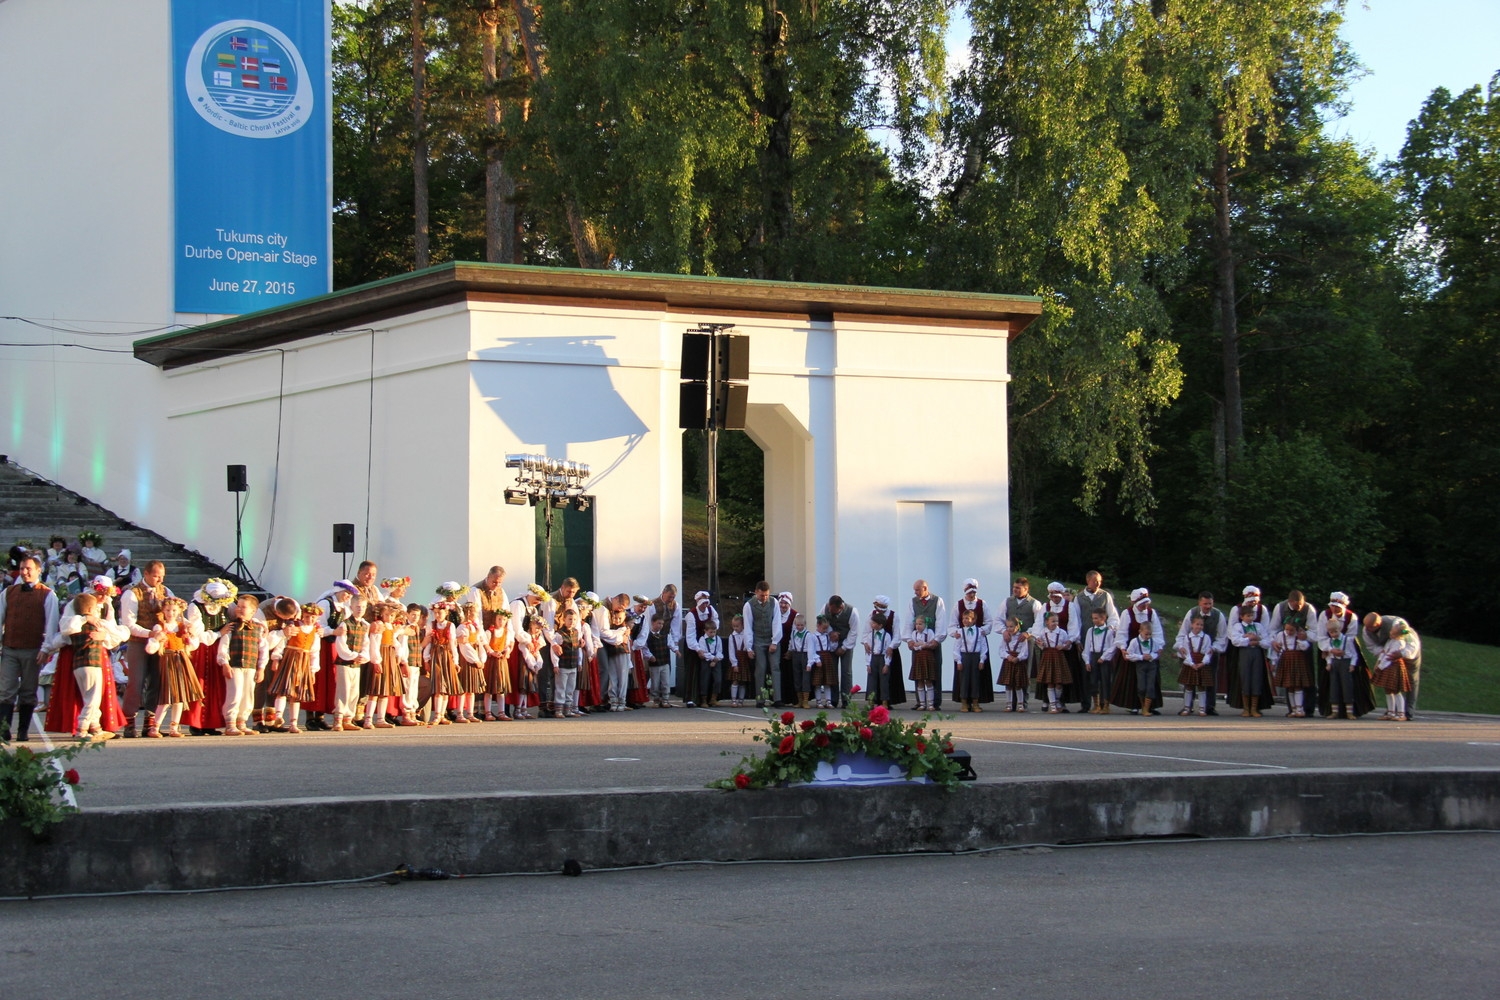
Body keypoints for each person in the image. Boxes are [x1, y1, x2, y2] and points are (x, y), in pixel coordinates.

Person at [0, 555, 61, 742]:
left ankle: (23, 730)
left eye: (28, 568)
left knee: (28, 690)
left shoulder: (48, 594)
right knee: (6, 690)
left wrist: (46, 648)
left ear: (38, 570)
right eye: (22, 568)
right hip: (10, 647)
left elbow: (51, 624)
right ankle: (4, 730)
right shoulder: (8, 592)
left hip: (33, 649)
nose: (24, 572)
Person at [58, 592, 126, 740]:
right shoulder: (96, 624)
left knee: (87, 695)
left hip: (78, 665)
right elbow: (118, 634)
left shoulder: (74, 627)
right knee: (93, 698)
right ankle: (82, 728)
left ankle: (96, 727)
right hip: (92, 664)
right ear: (91, 609)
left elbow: (62, 637)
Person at [118, 559, 174, 738]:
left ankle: (150, 724)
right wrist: (150, 634)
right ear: (146, 574)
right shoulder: (133, 593)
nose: (159, 580)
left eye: (162, 576)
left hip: (159, 643)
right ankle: (129, 723)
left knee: (157, 681)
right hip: (138, 642)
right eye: (156, 576)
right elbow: (129, 623)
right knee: (136, 681)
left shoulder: (165, 591)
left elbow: (175, 611)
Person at [183, 578, 237, 736]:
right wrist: (219, 633)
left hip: (219, 647)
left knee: (215, 686)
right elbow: (198, 633)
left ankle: (210, 723)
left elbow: (236, 616)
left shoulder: (226, 605)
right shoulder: (196, 606)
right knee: (199, 684)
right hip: (202, 648)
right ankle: (196, 723)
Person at [147, 596, 202, 738]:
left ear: (178, 611)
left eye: (174, 610)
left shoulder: (183, 627)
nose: (171, 613)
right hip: (168, 661)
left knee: (180, 696)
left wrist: (190, 637)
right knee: (167, 696)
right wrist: (156, 639)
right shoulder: (160, 627)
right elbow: (150, 649)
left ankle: (174, 727)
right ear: (163, 611)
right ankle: (155, 727)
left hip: (181, 660)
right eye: (168, 610)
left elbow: (193, 645)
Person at [265, 604, 319, 734]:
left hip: (304, 662)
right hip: (289, 659)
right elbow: (282, 643)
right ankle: (278, 716)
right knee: (283, 689)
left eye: (313, 617)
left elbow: (315, 652)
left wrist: (313, 670)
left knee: (297, 693)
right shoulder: (294, 627)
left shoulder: (315, 633)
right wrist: (276, 659)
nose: (309, 620)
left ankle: (293, 723)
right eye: (307, 616)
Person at [1361, 611, 1423, 719]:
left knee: (1411, 680)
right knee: (1390, 684)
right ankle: (1391, 711)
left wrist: (1401, 653)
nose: (1367, 630)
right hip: (1389, 655)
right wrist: (1382, 653)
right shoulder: (1366, 630)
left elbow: (1412, 643)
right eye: (1366, 626)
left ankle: (1407, 712)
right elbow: (1371, 646)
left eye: (1370, 627)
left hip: (1408, 652)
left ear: (1377, 624)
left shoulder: (1397, 624)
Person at [1221, 586, 1273, 714]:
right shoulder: (1236, 610)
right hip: (1240, 649)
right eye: (1251, 600)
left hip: (1257, 648)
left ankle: (1256, 707)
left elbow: (1265, 631)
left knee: (1257, 677)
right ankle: (1243, 706)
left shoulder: (1262, 610)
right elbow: (1231, 630)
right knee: (1242, 677)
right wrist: (1246, 640)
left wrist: (1257, 639)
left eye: (1255, 600)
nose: (1253, 602)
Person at [1112, 589, 1164, 714]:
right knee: (1132, 678)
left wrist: (1159, 647)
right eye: (1142, 604)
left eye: (1146, 603)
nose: (1145, 606)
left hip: (1149, 649)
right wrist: (1123, 648)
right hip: (1133, 649)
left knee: (1151, 679)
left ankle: (1150, 706)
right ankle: (1133, 704)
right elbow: (1122, 632)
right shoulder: (1127, 613)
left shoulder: (1151, 613)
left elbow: (1157, 632)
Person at [1177, 592, 1229, 714]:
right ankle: (1188, 706)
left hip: (1209, 651)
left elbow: (1222, 636)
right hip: (1191, 651)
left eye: (1210, 604)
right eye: (1205, 603)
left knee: (1209, 680)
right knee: (1189, 681)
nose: (1207, 606)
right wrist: (1181, 647)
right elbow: (1183, 632)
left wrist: (1213, 648)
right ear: (1199, 602)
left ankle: (1209, 706)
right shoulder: (1192, 613)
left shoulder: (1218, 615)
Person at [742, 582, 787, 707]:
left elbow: (777, 622)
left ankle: (777, 698)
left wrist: (774, 641)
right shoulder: (749, 605)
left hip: (772, 639)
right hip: (758, 640)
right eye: (762, 595)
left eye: (766, 595)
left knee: (775, 667)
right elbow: (748, 626)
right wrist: (749, 647)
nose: (765, 598)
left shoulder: (774, 602)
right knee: (760, 668)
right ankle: (760, 699)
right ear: (756, 592)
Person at [363, 601, 404, 729]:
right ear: (381, 614)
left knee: (385, 690)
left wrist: (398, 654)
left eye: (392, 615)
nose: (389, 618)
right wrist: (376, 661)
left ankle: (381, 718)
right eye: (386, 615)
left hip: (390, 657)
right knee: (375, 690)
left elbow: (394, 641)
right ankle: (368, 719)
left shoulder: (391, 627)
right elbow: (374, 644)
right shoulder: (379, 625)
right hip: (382, 656)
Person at [907, 580, 946, 710]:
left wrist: (937, 640)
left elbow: (940, 620)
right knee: (919, 675)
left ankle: (935, 702)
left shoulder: (937, 601)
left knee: (934, 673)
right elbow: (909, 621)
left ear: (925, 588)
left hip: (932, 642)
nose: (915, 592)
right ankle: (920, 702)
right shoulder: (913, 602)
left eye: (917, 590)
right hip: (917, 643)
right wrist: (909, 640)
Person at [863, 596, 904, 708]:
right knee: (873, 678)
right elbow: (866, 632)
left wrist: (891, 647)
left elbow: (896, 634)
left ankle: (887, 701)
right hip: (874, 650)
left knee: (887, 677)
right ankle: (874, 700)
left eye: (882, 607)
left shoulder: (893, 616)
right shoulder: (871, 615)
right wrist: (866, 643)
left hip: (888, 650)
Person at [424, 601, 460, 725]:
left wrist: (455, 661)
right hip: (435, 656)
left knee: (445, 687)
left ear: (446, 613)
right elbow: (428, 643)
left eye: (440, 612)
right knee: (439, 687)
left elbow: (452, 644)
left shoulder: (450, 626)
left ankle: (442, 714)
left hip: (446, 656)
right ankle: (437, 715)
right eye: (435, 613)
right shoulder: (431, 625)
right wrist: (426, 658)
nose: (437, 615)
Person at [823, 595, 861, 708]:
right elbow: (822, 621)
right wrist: (831, 632)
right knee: (832, 671)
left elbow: (854, 632)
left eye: (833, 609)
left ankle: (846, 700)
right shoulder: (825, 608)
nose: (830, 611)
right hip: (832, 642)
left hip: (847, 642)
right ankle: (833, 700)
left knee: (846, 672)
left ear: (840, 608)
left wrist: (844, 647)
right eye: (829, 608)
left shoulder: (852, 612)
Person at [1270, 619, 1314, 718]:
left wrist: (1299, 639)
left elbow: (1305, 647)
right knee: (1289, 686)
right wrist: (1274, 662)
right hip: (1286, 660)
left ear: (1296, 630)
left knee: (1298, 685)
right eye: (1287, 630)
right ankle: (1293, 710)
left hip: (1298, 660)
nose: (1289, 632)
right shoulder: (1280, 635)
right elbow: (1276, 650)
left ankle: (1300, 709)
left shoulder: (1300, 636)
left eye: (1291, 630)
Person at [1175, 614, 1217, 717]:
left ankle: (1202, 709)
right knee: (1188, 687)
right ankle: (1187, 708)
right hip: (1190, 664)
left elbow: (1208, 652)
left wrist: (1203, 663)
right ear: (1192, 625)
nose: (1199, 627)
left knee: (1202, 687)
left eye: (1201, 625)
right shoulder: (1186, 638)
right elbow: (1186, 652)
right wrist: (1191, 664)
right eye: (1197, 624)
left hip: (1201, 664)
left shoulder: (1206, 638)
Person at [1318, 616, 1358, 720]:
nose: (1334, 634)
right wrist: (1329, 663)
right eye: (1331, 632)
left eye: (1335, 631)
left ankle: (1349, 711)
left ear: (1339, 629)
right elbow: (1329, 655)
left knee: (1347, 686)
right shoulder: (1330, 642)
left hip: (1345, 663)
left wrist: (1352, 665)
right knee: (1334, 687)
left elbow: (1354, 654)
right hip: (1335, 664)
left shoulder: (1347, 640)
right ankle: (1334, 711)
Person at [953, 608, 992, 712]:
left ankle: (975, 702)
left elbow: (984, 646)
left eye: (967, 618)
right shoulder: (959, 632)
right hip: (965, 657)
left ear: (974, 620)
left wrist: (982, 660)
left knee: (975, 680)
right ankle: (964, 702)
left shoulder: (980, 632)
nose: (965, 620)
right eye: (963, 618)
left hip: (976, 657)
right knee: (964, 680)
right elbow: (956, 647)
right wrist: (959, 661)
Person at [549, 606, 585, 718]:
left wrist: (579, 663)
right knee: (561, 687)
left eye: (574, 620)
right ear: (564, 620)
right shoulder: (559, 634)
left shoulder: (576, 632)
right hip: (563, 665)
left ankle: (568, 709)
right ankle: (558, 709)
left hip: (573, 665)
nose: (572, 622)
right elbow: (554, 650)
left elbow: (578, 649)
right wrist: (555, 664)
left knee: (571, 688)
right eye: (569, 619)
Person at [1034, 611, 1074, 714]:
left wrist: (1064, 646)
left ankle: (1057, 701)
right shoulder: (1043, 632)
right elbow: (1040, 645)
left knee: (1059, 682)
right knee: (1050, 682)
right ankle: (1052, 705)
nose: (1055, 623)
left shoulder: (1062, 632)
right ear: (1047, 622)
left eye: (1056, 621)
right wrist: (1040, 644)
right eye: (1052, 621)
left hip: (1058, 657)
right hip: (1048, 657)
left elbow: (1068, 645)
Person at [1080, 608, 1117, 714]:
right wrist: (1087, 661)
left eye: (1096, 618)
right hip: (1093, 656)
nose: (1094, 620)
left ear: (1104, 618)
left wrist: (1104, 657)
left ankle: (1105, 705)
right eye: (1093, 618)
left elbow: (1113, 647)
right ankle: (1096, 705)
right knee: (1093, 681)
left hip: (1104, 658)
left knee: (1105, 682)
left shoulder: (1110, 631)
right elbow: (1087, 647)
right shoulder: (1090, 631)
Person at [1123, 621, 1162, 718]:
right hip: (1140, 665)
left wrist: (1152, 656)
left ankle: (1146, 708)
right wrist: (1141, 657)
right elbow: (1128, 655)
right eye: (1146, 634)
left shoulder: (1154, 642)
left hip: (1151, 665)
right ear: (1140, 631)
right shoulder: (1135, 642)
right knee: (1141, 687)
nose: (1148, 636)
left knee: (1150, 686)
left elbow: (1158, 652)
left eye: (1150, 634)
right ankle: (1142, 704)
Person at [639, 609, 676, 708]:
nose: (660, 625)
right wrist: (650, 656)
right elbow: (645, 648)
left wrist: (676, 650)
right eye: (658, 623)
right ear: (653, 623)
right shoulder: (648, 636)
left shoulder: (665, 635)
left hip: (664, 662)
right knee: (655, 682)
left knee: (665, 682)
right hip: (654, 663)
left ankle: (665, 699)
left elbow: (671, 644)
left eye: (662, 624)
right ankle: (656, 699)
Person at [995, 617, 1031, 712]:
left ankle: (1020, 704)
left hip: (1018, 663)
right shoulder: (1006, 638)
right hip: (1008, 662)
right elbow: (1001, 650)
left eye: (1011, 626)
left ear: (1017, 626)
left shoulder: (1022, 638)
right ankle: (1009, 704)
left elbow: (1025, 652)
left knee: (1018, 684)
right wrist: (1008, 656)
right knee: (1009, 684)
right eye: (1007, 627)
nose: (1009, 629)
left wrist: (1018, 658)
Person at [906, 615, 941, 712]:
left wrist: (922, 645)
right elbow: (914, 646)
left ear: (925, 624)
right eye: (916, 624)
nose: (918, 626)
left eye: (920, 624)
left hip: (927, 657)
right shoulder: (914, 633)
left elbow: (929, 644)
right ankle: (922, 704)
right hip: (918, 658)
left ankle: (930, 704)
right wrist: (921, 645)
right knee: (920, 681)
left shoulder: (929, 632)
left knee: (928, 680)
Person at [692, 618, 727, 708]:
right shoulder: (702, 639)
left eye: (714, 632)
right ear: (705, 631)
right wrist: (712, 658)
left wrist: (716, 660)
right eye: (711, 632)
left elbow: (720, 651)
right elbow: (703, 652)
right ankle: (704, 699)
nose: (713, 634)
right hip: (706, 661)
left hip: (716, 661)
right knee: (705, 679)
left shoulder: (718, 639)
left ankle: (713, 698)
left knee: (718, 679)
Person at [809, 615, 837, 709]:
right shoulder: (813, 636)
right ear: (818, 625)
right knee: (818, 682)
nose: (825, 630)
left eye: (826, 628)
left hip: (827, 658)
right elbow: (812, 650)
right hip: (819, 659)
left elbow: (832, 648)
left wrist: (834, 641)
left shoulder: (827, 636)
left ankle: (828, 701)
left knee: (827, 682)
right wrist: (816, 659)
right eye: (823, 628)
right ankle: (818, 701)